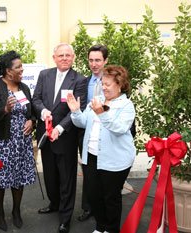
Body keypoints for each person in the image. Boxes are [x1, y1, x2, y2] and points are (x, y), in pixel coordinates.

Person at [67, 65, 136, 233]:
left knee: (110, 198)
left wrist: (102, 113)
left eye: (108, 84)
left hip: (115, 160)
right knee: (94, 196)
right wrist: (76, 112)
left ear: (120, 85)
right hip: (91, 157)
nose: (103, 87)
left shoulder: (126, 105)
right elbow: (83, 122)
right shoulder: (98, 100)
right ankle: (100, 227)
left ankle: (111, 229)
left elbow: (119, 128)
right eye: (103, 84)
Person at [32, 43, 87, 233]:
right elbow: (36, 99)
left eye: (67, 55)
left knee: (66, 179)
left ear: (73, 58)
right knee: (49, 176)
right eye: (60, 55)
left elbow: (77, 110)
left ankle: (65, 218)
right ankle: (54, 203)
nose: (64, 58)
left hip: (65, 138)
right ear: (54, 58)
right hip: (45, 135)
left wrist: (60, 128)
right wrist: (44, 111)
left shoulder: (79, 80)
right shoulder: (44, 75)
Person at [0, 50, 36, 231]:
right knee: (0, 180)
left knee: (18, 179)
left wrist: (31, 121)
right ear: (7, 71)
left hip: (21, 144)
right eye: (18, 67)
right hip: (1, 144)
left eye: (21, 66)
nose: (22, 69)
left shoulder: (24, 88)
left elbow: (31, 111)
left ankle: (16, 212)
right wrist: (4, 110)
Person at [77, 44, 109, 222]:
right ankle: (89, 208)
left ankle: (105, 208)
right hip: (86, 133)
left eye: (98, 60)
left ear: (105, 60)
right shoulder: (83, 82)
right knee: (88, 172)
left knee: (105, 172)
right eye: (91, 60)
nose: (94, 64)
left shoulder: (113, 82)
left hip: (107, 133)